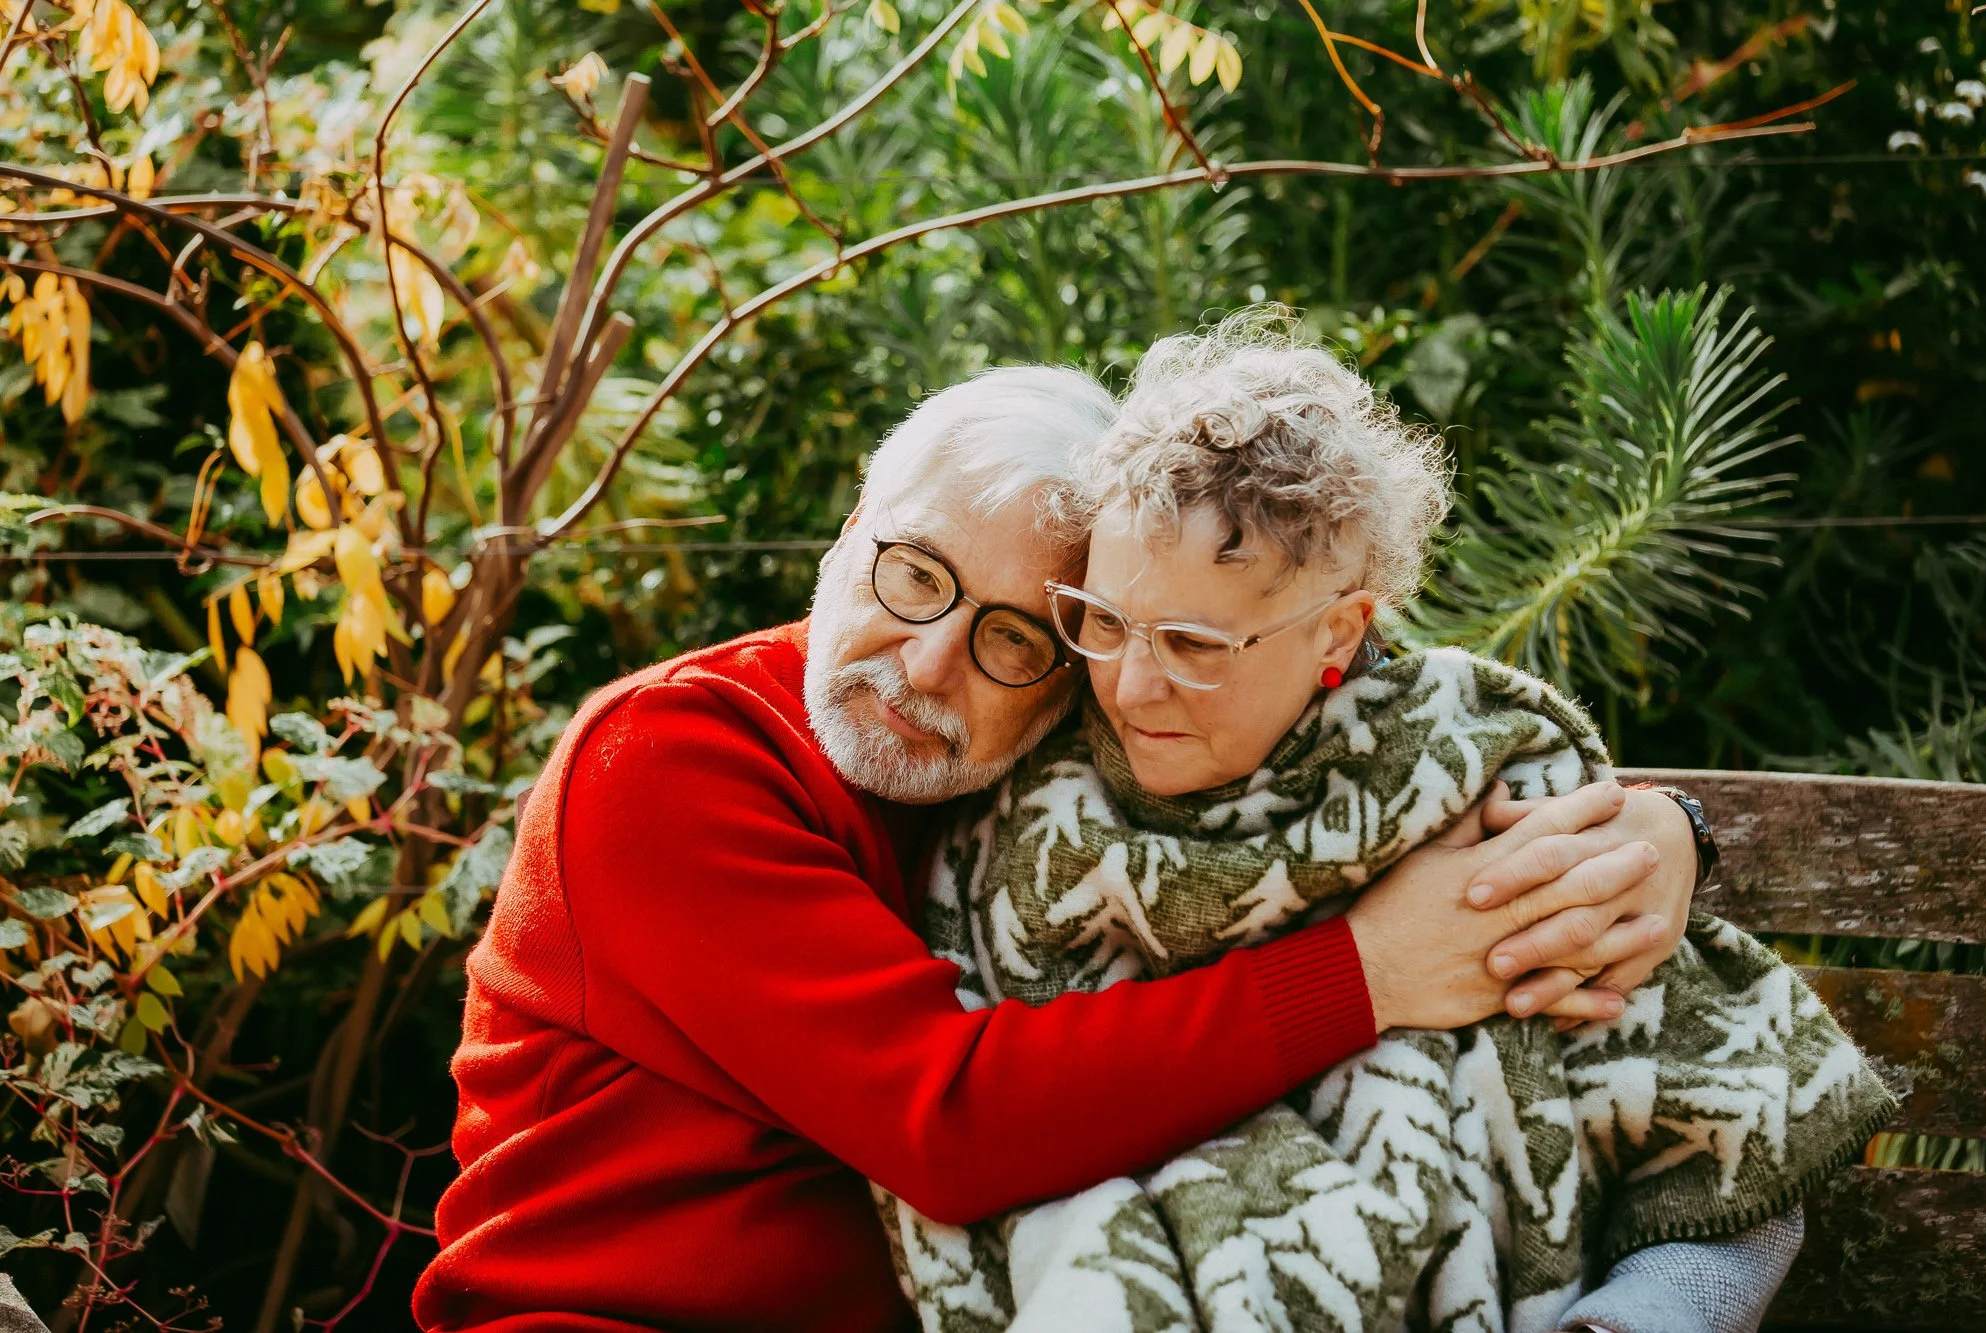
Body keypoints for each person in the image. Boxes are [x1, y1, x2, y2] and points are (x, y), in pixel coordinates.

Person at [413, 364, 1711, 1331]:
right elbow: (949, 1116)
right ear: (846, 527)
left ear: (1070, 663)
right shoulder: (671, 760)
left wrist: (1664, 833)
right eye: (910, 574)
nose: (926, 666)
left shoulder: (1055, 772)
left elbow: (1359, 726)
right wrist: (1367, 970)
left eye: (1012, 636)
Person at [880, 311, 1889, 1333]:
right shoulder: (1030, 793)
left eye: (1192, 642)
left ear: (1337, 631)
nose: (1132, 685)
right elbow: (976, 1106)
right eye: (1102, 619)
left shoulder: (1471, 775)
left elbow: (1725, 1130)